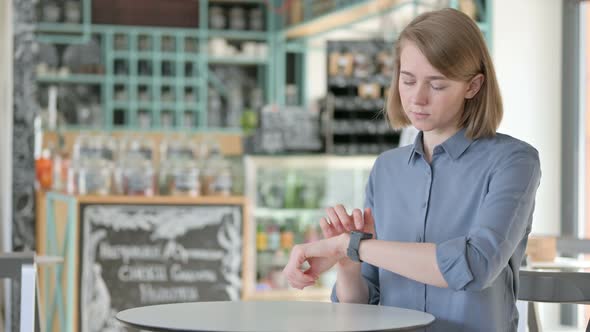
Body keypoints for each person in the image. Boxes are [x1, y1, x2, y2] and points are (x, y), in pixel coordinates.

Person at [282, 8, 541, 331]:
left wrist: (354, 245)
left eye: (437, 85)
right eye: (408, 80)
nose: (417, 98)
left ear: (473, 86)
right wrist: (348, 264)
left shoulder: (514, 161)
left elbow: (475, 265)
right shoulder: (387, 169)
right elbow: (362, 305)